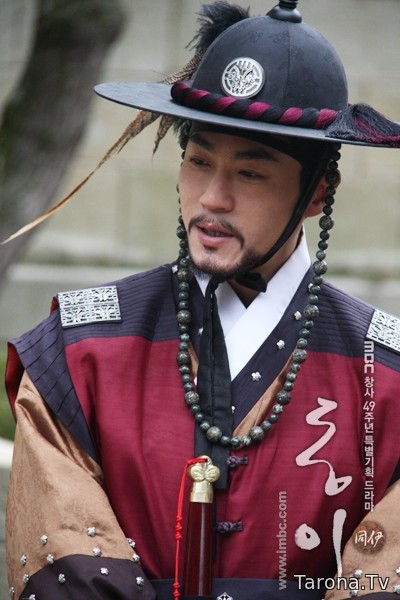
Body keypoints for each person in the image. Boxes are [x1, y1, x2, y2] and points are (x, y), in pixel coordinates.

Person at [5, 1, 400, 599]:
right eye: (199, 161)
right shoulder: (79, 353)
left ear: (319, 191)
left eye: (250, 173)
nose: (212, 197)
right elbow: (65, 567)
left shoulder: (387, 376)